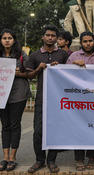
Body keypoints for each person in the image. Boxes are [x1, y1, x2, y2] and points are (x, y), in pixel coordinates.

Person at [26, 25, 69, 173]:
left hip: (58, 101)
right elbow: (29, 76)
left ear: (57, 38)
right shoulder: (35, 55)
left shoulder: (63, 54)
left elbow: (71, 73)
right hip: (41, 100)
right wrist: (39, 68)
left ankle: (51, 160)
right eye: (48, 35)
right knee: (38, 131)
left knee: (55, 131)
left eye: (53, 36)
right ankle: (39, 160)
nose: (50, 38)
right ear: (43, 37)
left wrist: (59, 68)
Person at [0, 29, 32, 171]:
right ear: (0, 40)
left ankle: (13, 157)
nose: (7, 40)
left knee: (15, 124)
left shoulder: (22, 55)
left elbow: (30, 74)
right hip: (0, 93)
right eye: (4, 38)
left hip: (18, 93)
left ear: (14, 40)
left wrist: (20, 73)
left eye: (9, 38)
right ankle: (5, 157)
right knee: (5, 125)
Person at [66, 31, 94, 170]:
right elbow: (64, 74)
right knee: (79, 129)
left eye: (90, 41)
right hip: (79, 100)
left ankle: (91, 158)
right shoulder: (74, 56)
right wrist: (73, 64)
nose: (88, 43)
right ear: (81, 43)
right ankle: (79, 159)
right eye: (85, 41)